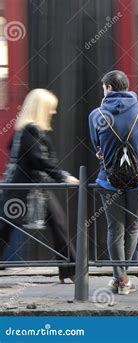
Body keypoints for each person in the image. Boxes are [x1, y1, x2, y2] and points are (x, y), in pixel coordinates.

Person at [0, 89, 79, 283]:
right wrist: (62, 176)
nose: (53, 113)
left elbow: (13, 149)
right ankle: (72, 270)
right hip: (23, 190)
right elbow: (37, 159)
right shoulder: (31, 129)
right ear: (41, 108)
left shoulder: (24, 129)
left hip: (30, 188)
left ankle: (72, 270)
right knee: (4, 230)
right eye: (51, 109)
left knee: (57, 223)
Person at [89, 70, 138, 295]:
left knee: (114, 229)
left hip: (109, 182)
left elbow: (97, 148)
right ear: (126, 87)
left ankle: (121, 278)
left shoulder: (96, 114)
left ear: (108, 88)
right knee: (133, 228)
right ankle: (123, 277)